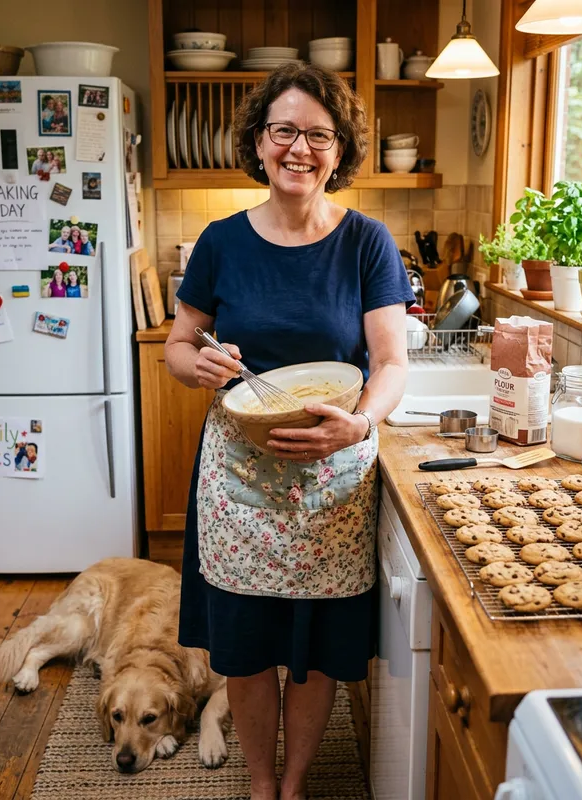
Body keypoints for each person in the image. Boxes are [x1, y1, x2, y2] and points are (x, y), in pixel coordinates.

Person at [164, 63, 412, 800]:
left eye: (317, 135)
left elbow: (392, 360)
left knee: (311, 654)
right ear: (259, 141)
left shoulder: (367, 242)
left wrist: (362, 421)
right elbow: (179, 347)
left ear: (339, 151)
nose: (298, 148)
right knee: (244, 654)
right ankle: (261, 784)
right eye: (284, 131)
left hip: (331, 479)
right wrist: (200, 364)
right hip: (237, 481)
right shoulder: (220, 242)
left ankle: (295, 785)